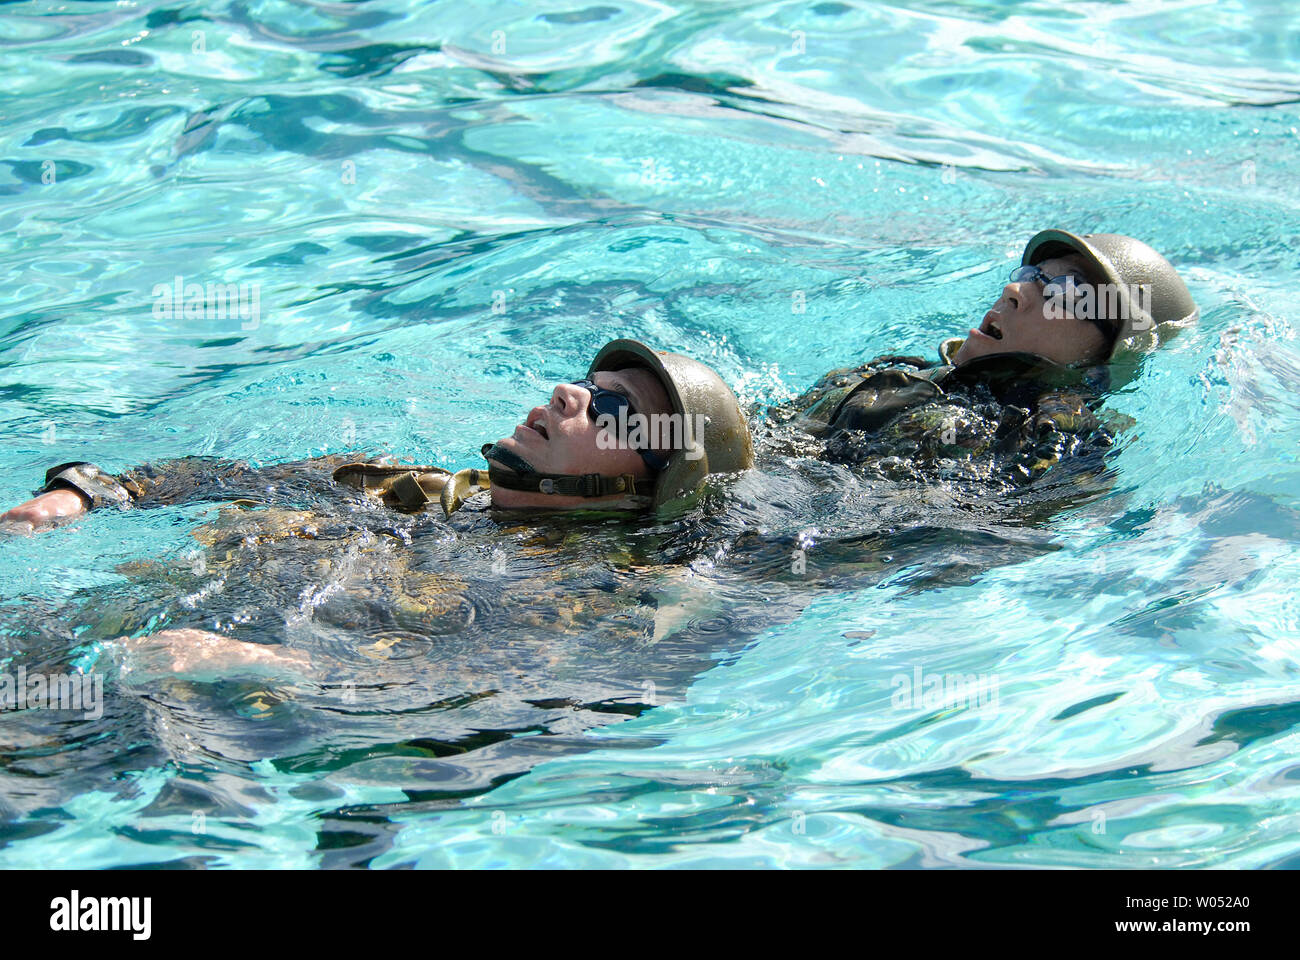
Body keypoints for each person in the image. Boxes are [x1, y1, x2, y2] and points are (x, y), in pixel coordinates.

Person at [0, 339, 755, 678]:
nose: (570, 395)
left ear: (643, 488)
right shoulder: (426, 493)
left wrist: (283, 669)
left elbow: (492, 680)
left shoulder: (584, 591)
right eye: (589, 382)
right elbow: (232, 477)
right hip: (116, 623)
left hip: (219, 701)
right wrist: (92, 492)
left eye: (614, 409)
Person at [765, 229, 1198, 497]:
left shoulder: (1044, 440)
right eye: (1031, 275)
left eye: (1067, 292)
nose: (1015, 289)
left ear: (1106, 360)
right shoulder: (900, 370)